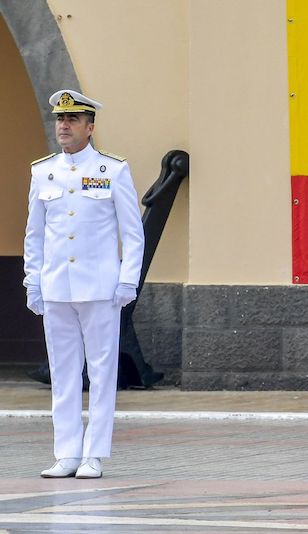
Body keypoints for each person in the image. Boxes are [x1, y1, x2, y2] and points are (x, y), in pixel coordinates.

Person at [24, 90, 145, 479]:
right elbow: (34, 235)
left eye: (73, 119)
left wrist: (127, 281)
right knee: (63, 372)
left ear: (90, 127)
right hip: (57, 286)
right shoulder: (43, 172)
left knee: (102, 371)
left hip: (99, 287)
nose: (63, 125)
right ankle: (66, 453)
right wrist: (33, 282)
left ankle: (94, 454)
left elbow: (133, 233)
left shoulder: (113, 170)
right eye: (60, 119)